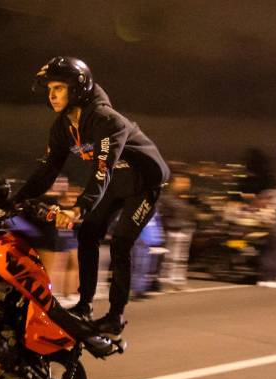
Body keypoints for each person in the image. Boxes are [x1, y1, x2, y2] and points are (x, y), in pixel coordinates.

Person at [16, 56, 169, 337]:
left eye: (58, 88)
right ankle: (84, 305)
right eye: (49, 89)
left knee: (122, 241)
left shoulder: (107, 121)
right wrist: (15, 200)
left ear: (77, 88)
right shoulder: (62, 127)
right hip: (116, 182)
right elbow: (48, 169)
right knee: (87, 234)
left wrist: (78, 209)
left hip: (143, 184)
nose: (51, 95)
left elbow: (102, 169)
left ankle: (114, 316)